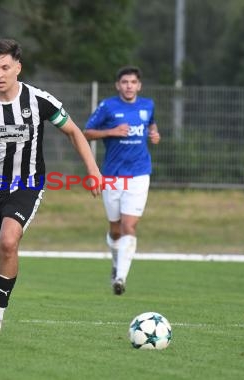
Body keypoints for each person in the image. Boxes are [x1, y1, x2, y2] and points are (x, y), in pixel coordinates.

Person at [0, 38, 102, 335]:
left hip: (27, 185)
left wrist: (93, 169)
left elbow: (73, 132)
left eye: (5, 67)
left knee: (9, 242)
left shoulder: (39, 100)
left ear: (18, 68)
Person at [83, 65, 160, 295]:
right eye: (125, 82)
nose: (129, 86)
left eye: (133, 82)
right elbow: (86, 132)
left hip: (139, 174)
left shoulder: (147, 105)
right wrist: (111, 132)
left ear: (139, 85)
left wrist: (155, 134)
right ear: (118, 85)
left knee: (129, 226)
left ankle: (120, 278)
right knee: (116, 230)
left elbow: (152, 125)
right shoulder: (108, 106)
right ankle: (117, 262)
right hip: (113, 175)